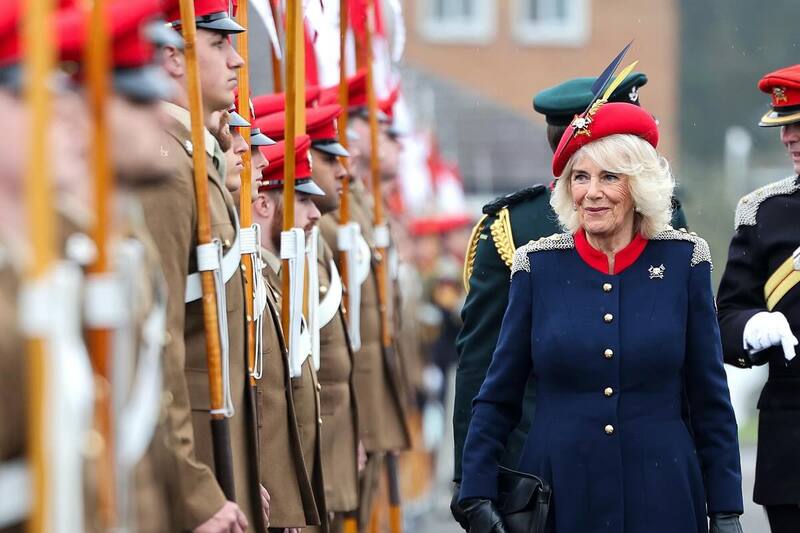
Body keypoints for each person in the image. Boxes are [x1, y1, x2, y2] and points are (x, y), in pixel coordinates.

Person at [458, 99, 743, 533]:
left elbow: (710, 400)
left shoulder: (685, 260)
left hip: (663, 492)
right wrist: (475, 494)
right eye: (580, 177)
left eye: (609, 177)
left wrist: (725, 509)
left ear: (639, 186)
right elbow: (498, 394)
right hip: (559, 493)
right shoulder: (537, 266)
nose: (591, 192)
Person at [452, 73, 658, 521]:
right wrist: (473, 484)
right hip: (541, 474)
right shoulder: (514, 227)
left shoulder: (663, 224)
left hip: (650, 468)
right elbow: (483, 366)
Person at [137, 1, 267, 531]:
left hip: (220, 456)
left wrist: (241, 469)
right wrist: (196, 488)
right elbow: (161, 339)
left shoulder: (195, 160)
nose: (237, 61)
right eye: (219, 44)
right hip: (191, 462)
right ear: (173, 55)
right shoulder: (170, 167)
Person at [716, 64, 800, 533]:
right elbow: (725, 319)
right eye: (785, 127)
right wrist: (752, 327)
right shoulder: (762, 212)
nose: (788, 138)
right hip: (794, 441)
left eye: (799, 125)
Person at [252, 135, 328, 533]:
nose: (315, 213)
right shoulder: (255, 279)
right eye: (302, 200)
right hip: (269, 499)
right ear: (264, 203)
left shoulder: (281, 278)